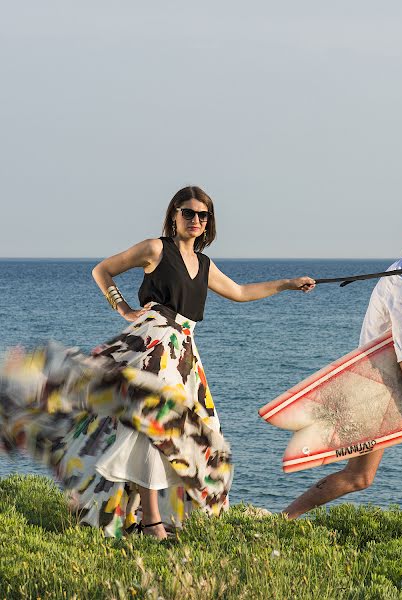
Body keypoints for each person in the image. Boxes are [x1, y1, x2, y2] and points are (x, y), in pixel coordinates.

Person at [0, 185, 315, 539]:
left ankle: (140, 515)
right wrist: (122, 308)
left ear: (209, 222)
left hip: (184, 353)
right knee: (157, 427)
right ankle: (152, 523)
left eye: (203, 215)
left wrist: (288, 284)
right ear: (174, 216)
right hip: (153, 342)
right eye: (188, 213)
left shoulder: (204, 264)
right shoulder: (155, 249)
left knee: (190, 433)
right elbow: (102, 270)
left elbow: (240, 293)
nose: (195, 220)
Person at [283, 211, 402, 519]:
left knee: (364, 474)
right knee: (369, 472)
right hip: (376, 387)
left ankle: (287, 518)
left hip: (382, 382)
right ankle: (287, 518)